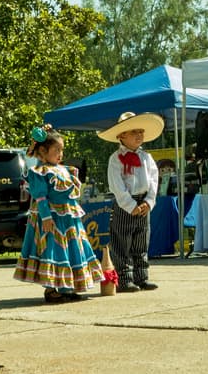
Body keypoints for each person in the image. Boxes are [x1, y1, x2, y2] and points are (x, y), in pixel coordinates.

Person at [13, 125, 104, 303]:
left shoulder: (64, 170)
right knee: (53, 250)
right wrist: (46, 217)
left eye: (62, 150)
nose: (60, 154)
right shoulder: (39, 172)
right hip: (52, 219)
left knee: (71, 249)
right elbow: (40, 196)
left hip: (68, 218)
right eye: (56, 150)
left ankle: (67, 287)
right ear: (43, 151)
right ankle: (51, 289)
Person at [100, 111, 165, 292]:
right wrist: (129, 205)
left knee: (141, 241)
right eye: (134, 132)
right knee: (122, 242)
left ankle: (141, 277)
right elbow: (116, 185)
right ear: (121, 136)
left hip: (143, 203)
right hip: (125, 205)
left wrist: (149, 201)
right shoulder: (115, 159)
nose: (139, 135)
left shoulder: (146, 157)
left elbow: (154, 180)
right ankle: (124, 279)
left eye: (141, 132)